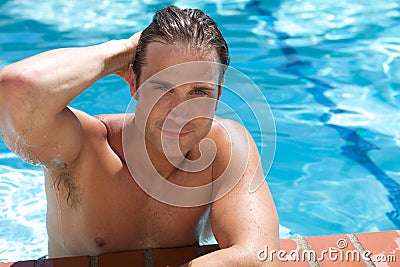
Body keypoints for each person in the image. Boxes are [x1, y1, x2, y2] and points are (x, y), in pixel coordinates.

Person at [0, 5, 278, 266]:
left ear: (218, 94)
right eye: (162, 89)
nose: (180, 113)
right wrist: (120, 53)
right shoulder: (84, 150)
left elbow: (259, 256)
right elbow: (15, 91)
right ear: (134, 83)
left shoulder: (224, 148)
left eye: (198, 92)